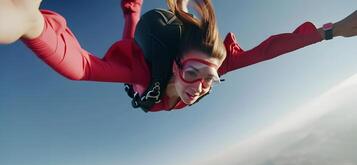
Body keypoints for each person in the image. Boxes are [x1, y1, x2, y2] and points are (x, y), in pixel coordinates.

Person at [0, 0, 356, 112]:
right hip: (147, 57)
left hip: (160, 53)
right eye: (194, 75)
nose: (200, 88)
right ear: (174, 65)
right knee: (131, 56)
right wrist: (31, 25)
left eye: (210, 79)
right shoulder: (142, 70)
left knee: (135, 42)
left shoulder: (209, 67)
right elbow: (81, 67)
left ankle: (167, 6)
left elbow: (270, 50)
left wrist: (332, 30)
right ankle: (140, 6)